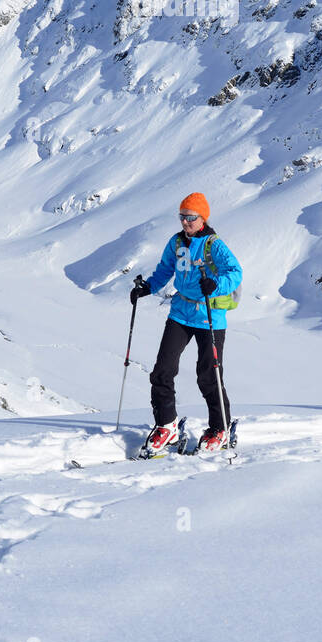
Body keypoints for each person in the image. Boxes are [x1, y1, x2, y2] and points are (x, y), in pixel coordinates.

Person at [130, 192, 242, 453]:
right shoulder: (177, 242)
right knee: (162, 370)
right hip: (180, 313)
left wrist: (215, 285)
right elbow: (165, 269)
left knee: (208, 375)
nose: (185, 222)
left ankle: (220, 428)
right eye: (182, 216)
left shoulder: (214, 245)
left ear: (202, 218)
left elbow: (235, 272)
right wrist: (147, 288)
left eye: (190, 217)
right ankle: (166, 425)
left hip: (209, 316)